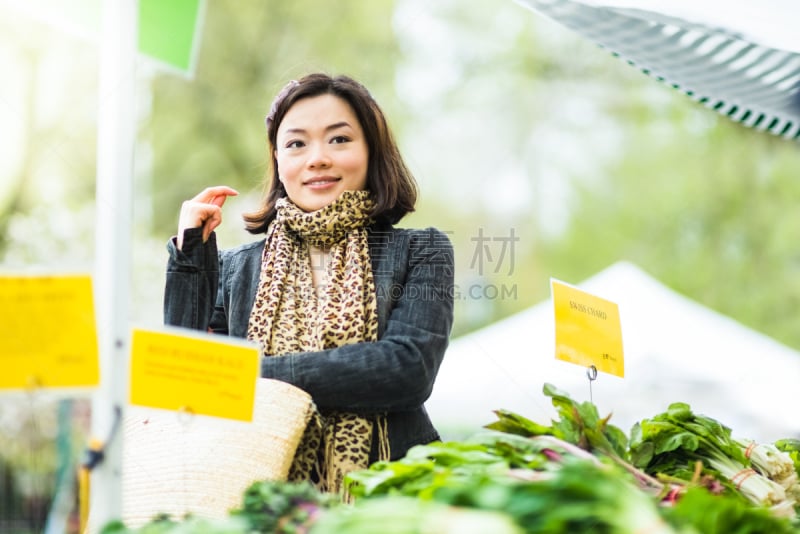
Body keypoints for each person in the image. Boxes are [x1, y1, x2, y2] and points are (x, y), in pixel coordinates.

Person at [163, 73, 454, 493]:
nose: (317, 158)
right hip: (263, 499)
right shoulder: (236, 268)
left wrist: (250, 378)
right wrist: (191, 254)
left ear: (372, 151)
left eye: (339, 139)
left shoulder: (422, 251)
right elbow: (188, 380)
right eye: (297, 143)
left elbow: (407, 369)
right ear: (278, 160)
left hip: (391, 502)